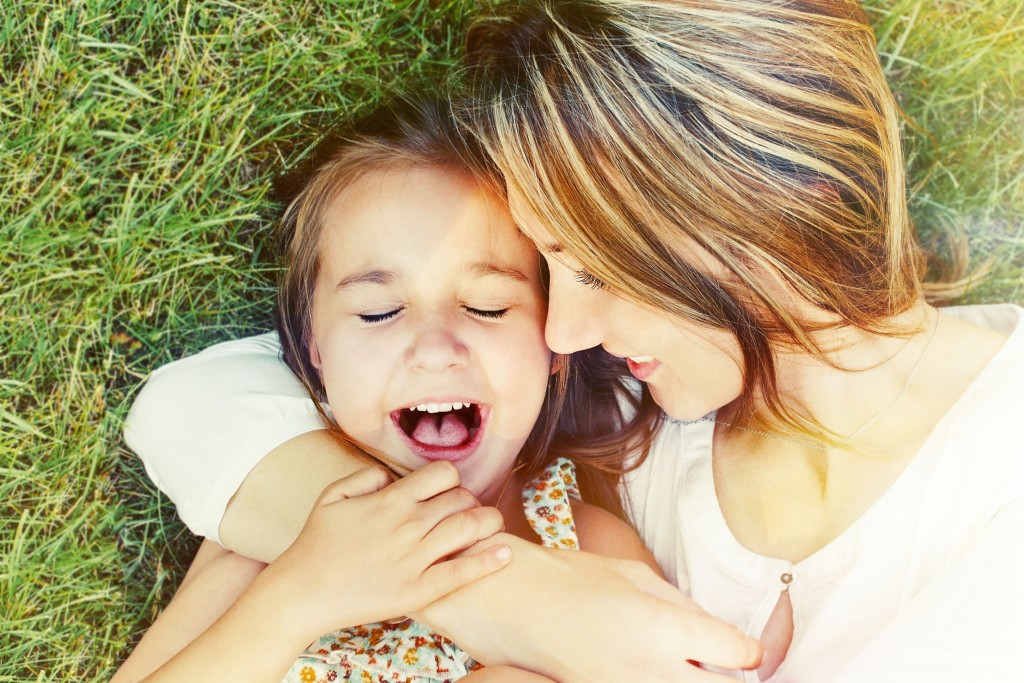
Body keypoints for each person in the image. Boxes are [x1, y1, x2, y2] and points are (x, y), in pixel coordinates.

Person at [124, 0, 1024, 681]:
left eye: (598, 268)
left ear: (779, 208)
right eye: (552, 270)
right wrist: (512, 597)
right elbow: (194, 404)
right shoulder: (643, 415)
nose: (563, 328)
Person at [113, 95, 661, 682]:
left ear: (554, 341)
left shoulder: (584, 547)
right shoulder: (270, 540)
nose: (434, 349)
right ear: (314, 349)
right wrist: (299, 596)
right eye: (378, 313)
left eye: (488, 306)